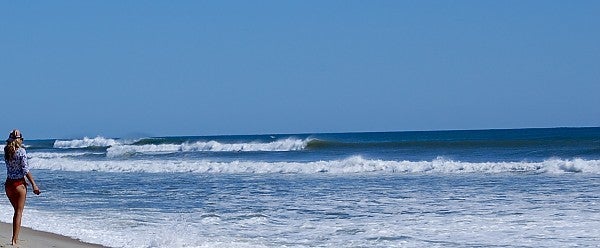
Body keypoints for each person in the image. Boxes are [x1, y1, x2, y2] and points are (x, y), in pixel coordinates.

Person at [4, 129, 40, 246]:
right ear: (19, 140)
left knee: (16, 211)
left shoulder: (6, 151)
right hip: (19, 186)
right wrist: (34, 184)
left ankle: (14, 238)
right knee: (18, 213)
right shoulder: (22, 151)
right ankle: (14, 240)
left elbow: (13, 169)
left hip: (9, 185)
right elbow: (25, 170)